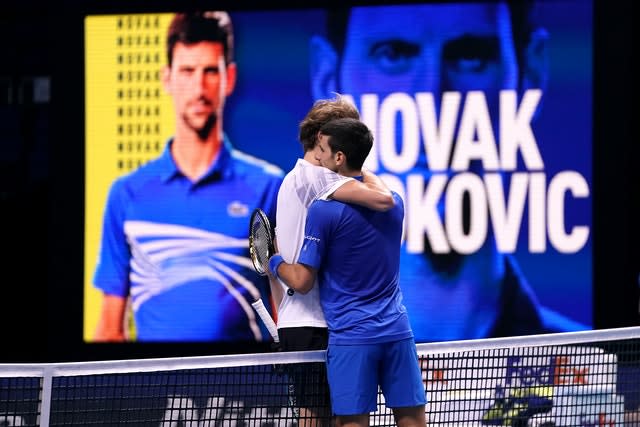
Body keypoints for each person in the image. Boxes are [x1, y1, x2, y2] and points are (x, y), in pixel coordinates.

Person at [308, 2, 589, 342]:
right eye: (392, 54)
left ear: (529, 75)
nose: (432, 99)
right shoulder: (309, 361)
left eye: (471, 56)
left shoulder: (585, 361)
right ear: (328, 79)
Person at [92, 11, 284, 342]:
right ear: (167, 78)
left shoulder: (268, 186)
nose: (199, 88)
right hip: (153, 390)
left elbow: (285, 310)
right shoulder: (126, 194)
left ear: (230, 78)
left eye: (210, 71)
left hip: (249, 388)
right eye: (187, 71)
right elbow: (110, 329)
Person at [269, 117, 427, 427]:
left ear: (339, 157)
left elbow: (302, 280)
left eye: (323, 150)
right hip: (397, 332)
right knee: (413, 421)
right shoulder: (395, 203)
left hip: (352, 339)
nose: (319, 158)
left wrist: (272, 260)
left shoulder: (323, 210)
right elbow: (375, 192)